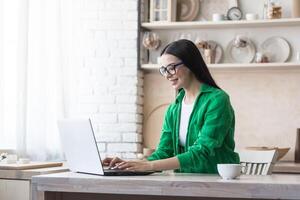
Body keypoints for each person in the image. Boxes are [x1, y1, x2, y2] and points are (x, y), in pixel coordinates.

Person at [103, 39, 239, 173]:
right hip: (183, 182)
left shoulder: (217, 100)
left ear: (190, 64)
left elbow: (202, 152)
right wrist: (129, 164)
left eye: (171, 68)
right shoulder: (174, 109)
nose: (167, 75)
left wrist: (148, 166)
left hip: (216, 181)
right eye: (163, 70)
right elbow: (164, 152)